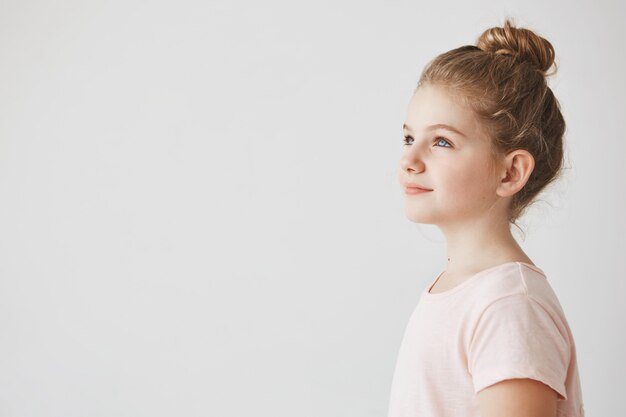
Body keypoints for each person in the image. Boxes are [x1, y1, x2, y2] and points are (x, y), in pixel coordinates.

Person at [387, 17, 585, 417]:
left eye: (441, 141)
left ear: (510, 172)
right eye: (409, 138)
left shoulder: (509, 306)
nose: (409, 160)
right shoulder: (460, 289)